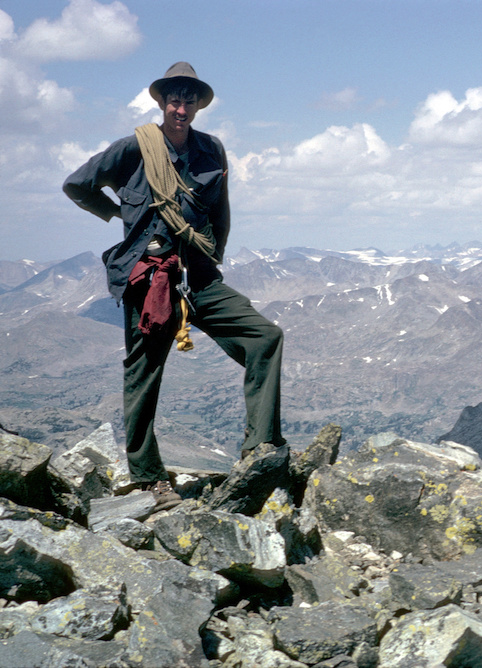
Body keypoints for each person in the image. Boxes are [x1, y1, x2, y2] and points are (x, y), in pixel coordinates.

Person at [64, 62, 285, 511]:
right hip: (152, 278)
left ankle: (260, 450)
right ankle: (148, 479)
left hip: (198, 275)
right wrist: (116, 216)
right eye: (173, 99)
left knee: (265, 338)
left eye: (188, 100)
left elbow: (220, 212)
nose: (180, 108)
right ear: (162, 102)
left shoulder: (211, 151)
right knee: (143, 375)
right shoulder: (135, 148)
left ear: (198, 106)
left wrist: (211, 256)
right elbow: (77, 184)